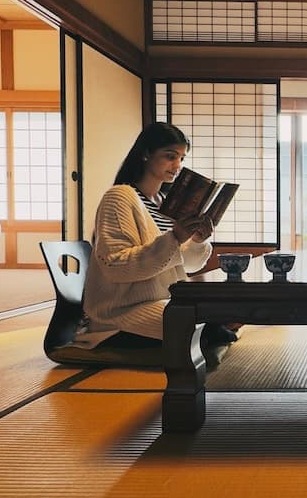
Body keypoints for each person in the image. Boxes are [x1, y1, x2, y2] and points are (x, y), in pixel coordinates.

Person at [74, 122, 237, 352]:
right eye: (170, 156)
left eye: (182, 158)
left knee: (223, 318)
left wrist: (197, 240)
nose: (177, 165)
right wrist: (175, 238)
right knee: (211, 331)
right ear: (146, 154)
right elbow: (117, 266)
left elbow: (185, 264)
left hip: (164, 302)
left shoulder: (165, 203)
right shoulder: (120, 197)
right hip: (123, 311)